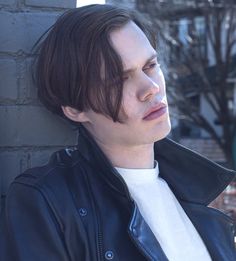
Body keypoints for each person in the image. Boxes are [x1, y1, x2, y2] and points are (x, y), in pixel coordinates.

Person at [0, 4, 235, 261]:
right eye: (118, 80)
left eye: (150, 65)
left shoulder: (200, 191)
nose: (151, 87)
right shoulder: (47, 201)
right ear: (75, 110)